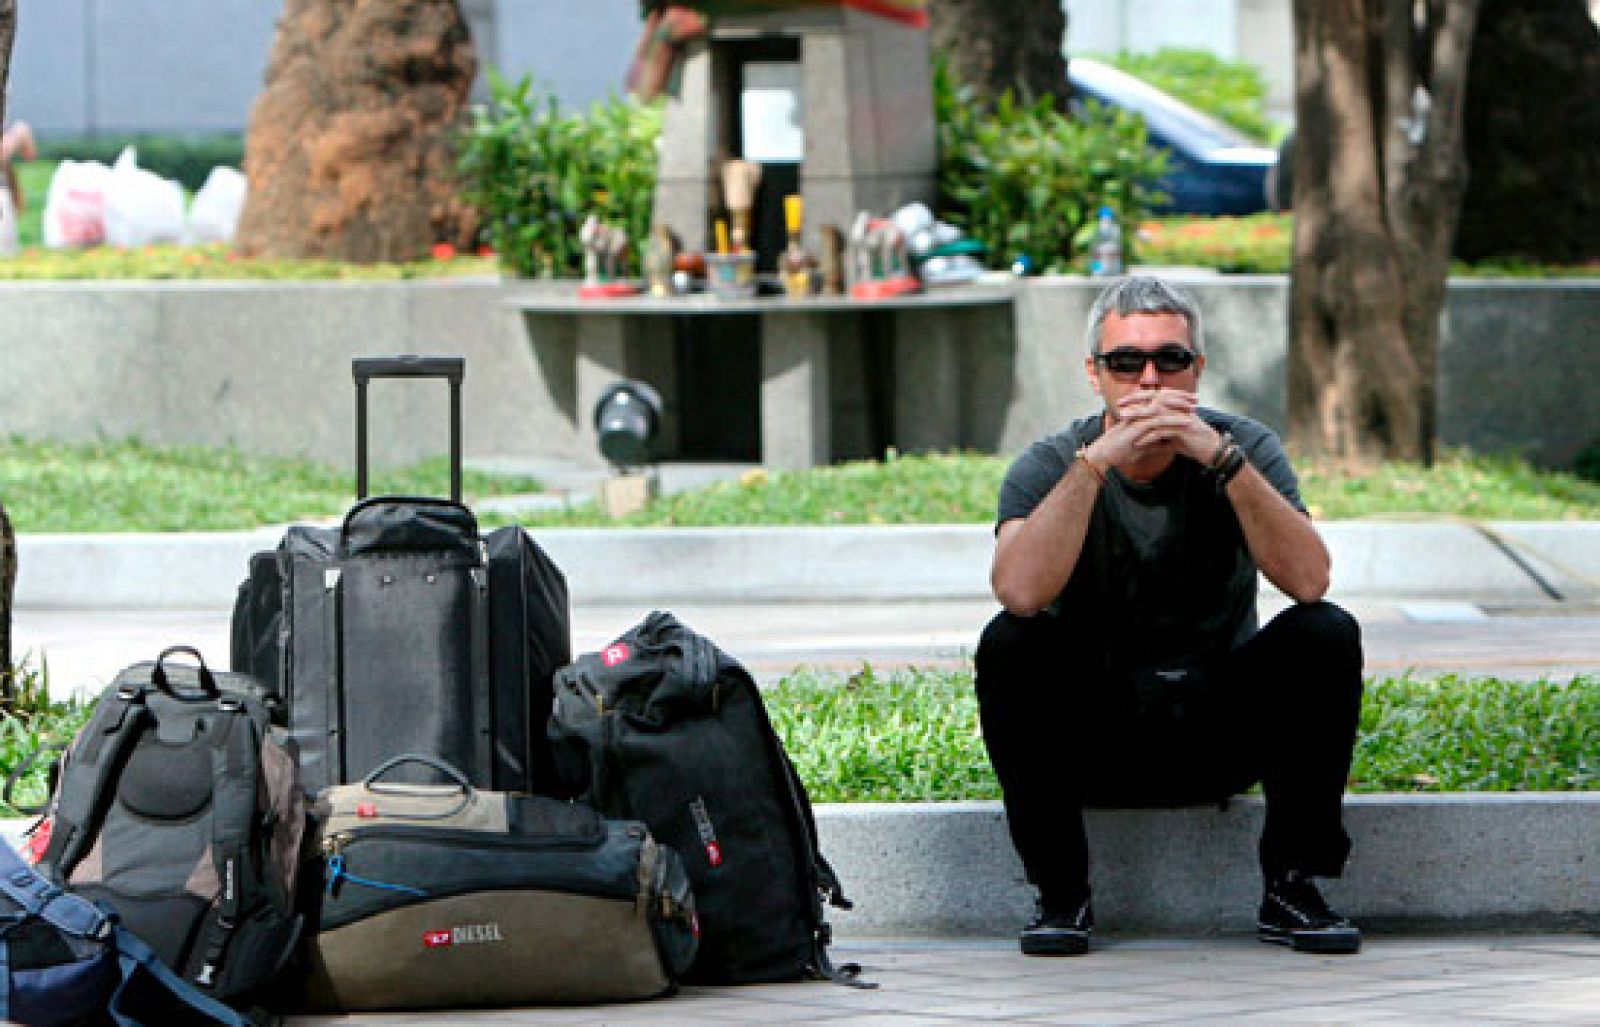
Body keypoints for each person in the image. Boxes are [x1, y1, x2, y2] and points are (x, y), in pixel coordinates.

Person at [976, 275, 1364, 957]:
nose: (1149, 380)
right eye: (1127, 362)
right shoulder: (1050, 463)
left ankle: (1294, 885)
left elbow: (1309, 580)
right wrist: (1094, 468)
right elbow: (1019, 592)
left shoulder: (1245, 448)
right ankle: (1061, 894)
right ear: (1095, 374)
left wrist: (1222, 459)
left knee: (1325, 632)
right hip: (1097, 732)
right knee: (1010, 642)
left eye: (1170, 360)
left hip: (1218, 724)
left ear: (1197, 370)